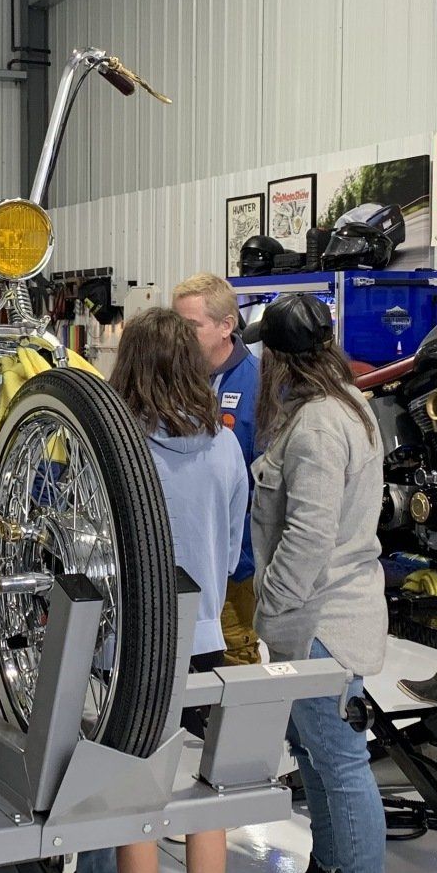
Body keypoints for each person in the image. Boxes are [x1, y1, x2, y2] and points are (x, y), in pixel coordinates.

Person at [77, 308, 249, 873]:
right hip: (206, 640)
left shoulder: (119, 450)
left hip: (136, 651)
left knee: (136, 799)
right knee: (209, 800)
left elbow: (87, 546)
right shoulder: (226, 448)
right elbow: (235, 548)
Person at [247, 294, 391, 873]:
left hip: (320, 619)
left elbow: (307, 536)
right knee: (314, 757)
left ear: (276, 356)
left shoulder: (315, 427)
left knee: (339, 762)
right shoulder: (350, 405)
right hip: (331, 608)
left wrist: (269, 614)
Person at [171, 273, 260, 666]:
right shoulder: (172, 379)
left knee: (234, 659)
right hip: (178, 561)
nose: (180, 338)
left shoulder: (259, 387)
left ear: (226, 326)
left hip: (234, 566)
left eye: (191, 327)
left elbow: (265, 484)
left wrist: (238, 558)